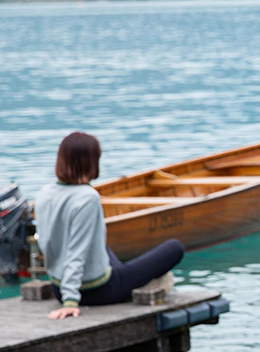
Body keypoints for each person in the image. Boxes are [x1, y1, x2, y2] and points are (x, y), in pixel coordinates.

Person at [35, 132, 184, 320]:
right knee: (174, 248)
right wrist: (71, 301)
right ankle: (128, 282)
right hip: (96, 291)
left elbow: (47, 244)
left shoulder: (45, 193)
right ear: (91, 162)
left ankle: (122, 276)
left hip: (58, 287)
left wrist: (64, 292)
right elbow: (77, 252)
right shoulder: (87, 197)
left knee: (101, 246)